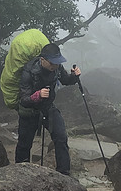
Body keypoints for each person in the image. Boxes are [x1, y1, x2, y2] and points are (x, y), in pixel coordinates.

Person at [15, 42, 82, 175]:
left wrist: (74, 76)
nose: (54, 66)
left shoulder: (57, 68)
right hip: (30, 111)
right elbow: (24, 99)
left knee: (61, 137)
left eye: (57, 62)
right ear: (42, 60)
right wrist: (37, 95)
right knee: (24, 144)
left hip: (48, 108)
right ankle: (19, 175)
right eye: (52, 63)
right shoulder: (28, 72)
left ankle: (64, 174)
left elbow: (65, 80)